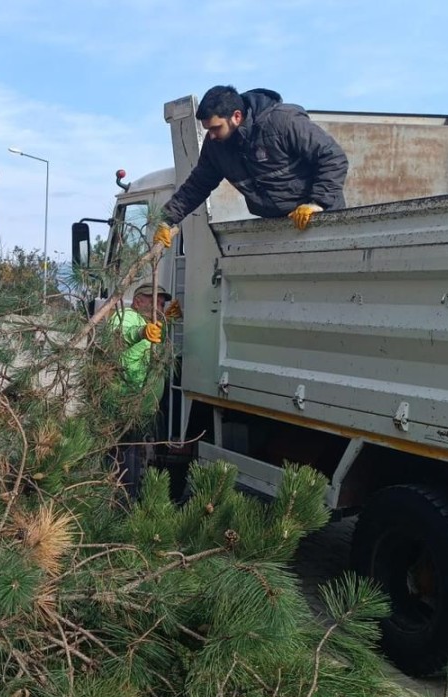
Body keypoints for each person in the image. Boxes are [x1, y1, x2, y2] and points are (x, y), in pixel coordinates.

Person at [155, 85, 348, 246]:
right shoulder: (215, 147)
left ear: (236, 116)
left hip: (322, 221)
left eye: (216, 128)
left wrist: (317, 203)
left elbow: (332, 157)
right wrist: (166, 220)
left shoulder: (283, 122)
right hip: (278, 229)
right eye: (208, 130)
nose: (211, 135)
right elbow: (197, 185)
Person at [110, 282, 171, 500]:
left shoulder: (151, 326)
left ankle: (127, 504)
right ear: (138, 302)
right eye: (155, 302)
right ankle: (119, 507)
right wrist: (140, 332)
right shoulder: (128, 317)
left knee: (133, 463)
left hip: (139, 411)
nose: (160, 308)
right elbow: (118, 337)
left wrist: (168, 320)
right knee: (122, 464)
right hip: (124, 406)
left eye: (162, 304)